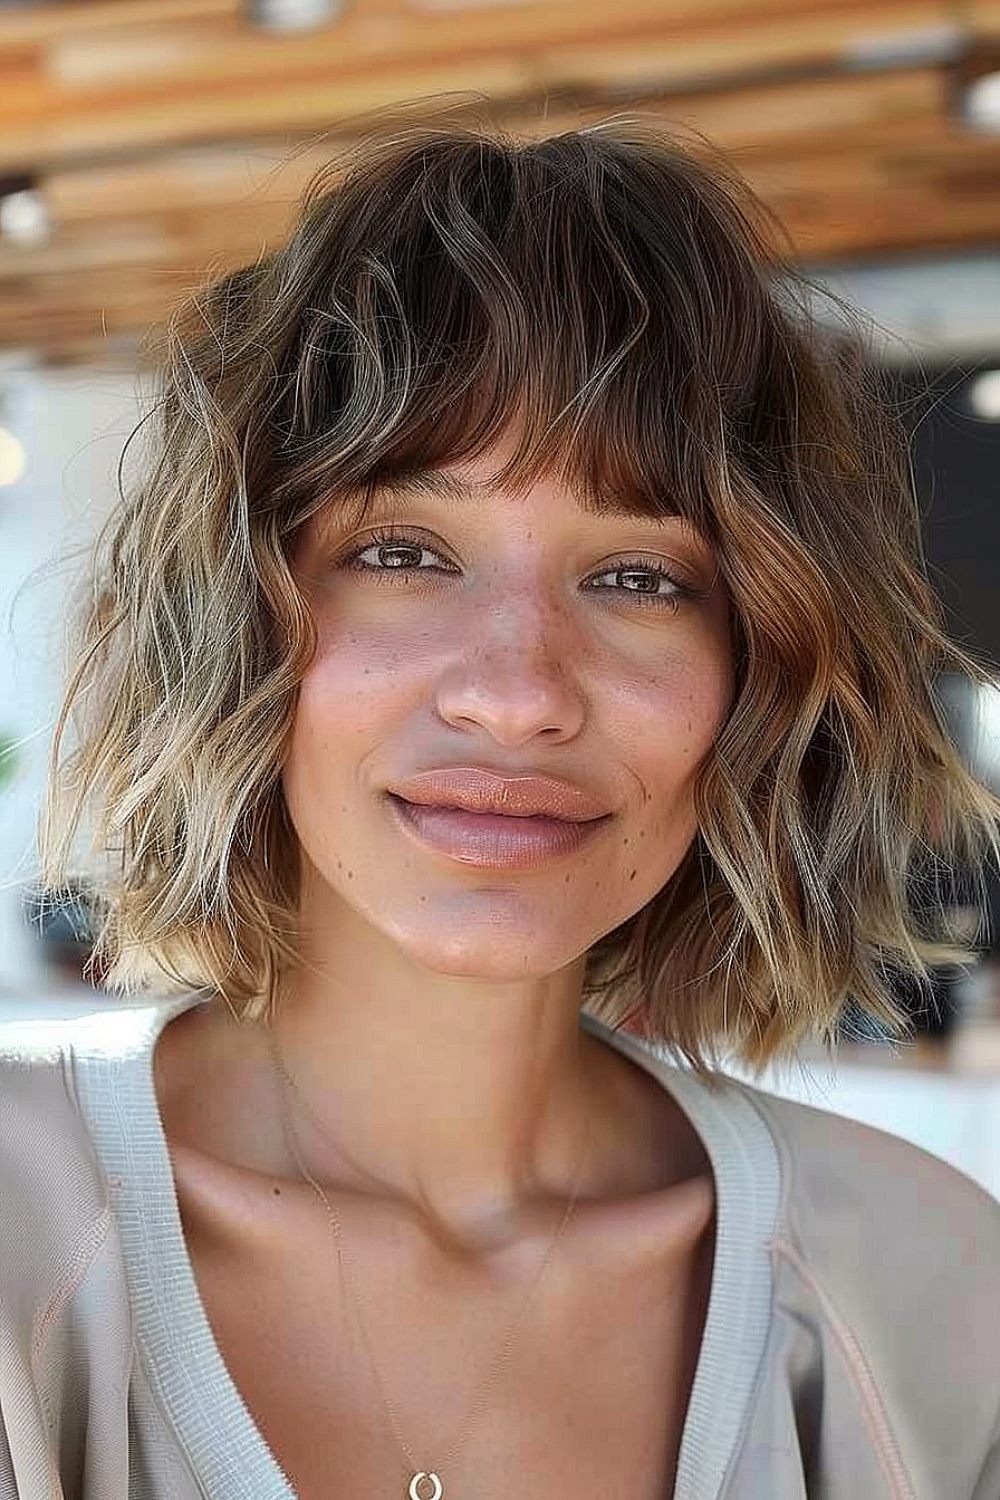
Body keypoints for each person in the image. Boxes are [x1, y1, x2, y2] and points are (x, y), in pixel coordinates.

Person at [3, 108, 1000, 1500]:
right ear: (241, 620)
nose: (521, 692)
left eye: (640, 577)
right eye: (405, 551)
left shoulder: (932, 1295)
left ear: (757, 671)